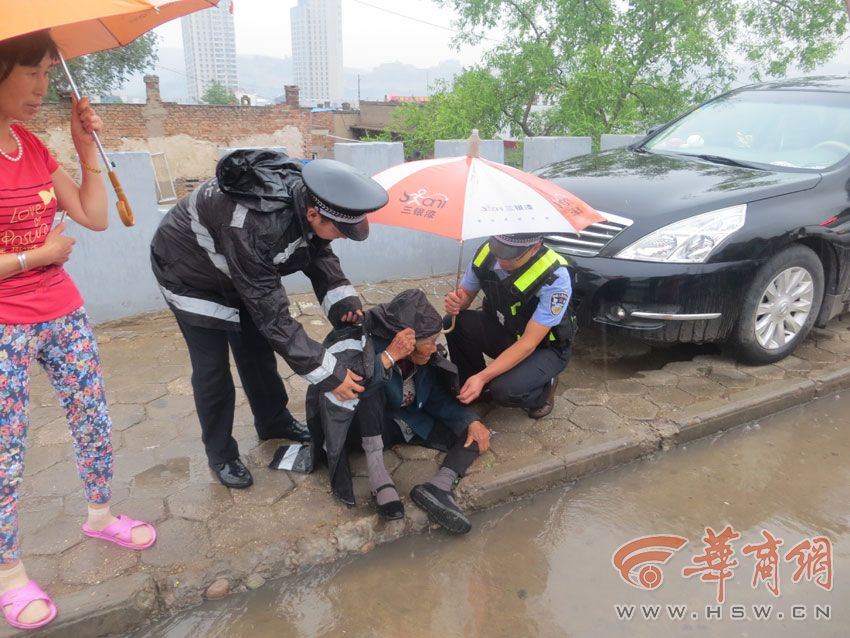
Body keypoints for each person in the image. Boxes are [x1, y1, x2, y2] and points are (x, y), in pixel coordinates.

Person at [0, 31, 155, 631]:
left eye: (47, 72)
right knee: (7, 449)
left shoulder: (33, 148)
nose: (43, 87)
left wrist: (84, 143)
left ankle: (98, 514)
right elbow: (47, 247)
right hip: (6, 324)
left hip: (63, 310)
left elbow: (91, 215)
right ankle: (9, 570)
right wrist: (34, 257)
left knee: (93, 417)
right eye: (29, 72)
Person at [151, 151, 388, 489]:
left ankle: (273, 421)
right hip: (189, 274)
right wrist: (331, 373)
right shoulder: (255, 225)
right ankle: (221, 454)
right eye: (341, 231)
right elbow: (275, 318)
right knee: (212, 369)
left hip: (241, 272)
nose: (343, 237)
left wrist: (343, 302)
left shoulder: (308, 199)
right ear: (312, 213)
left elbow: (316, 249)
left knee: (257, 352)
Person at [307, 289, 490, 534]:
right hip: (359, 428)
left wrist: (470, 421)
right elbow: (341, 390)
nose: (434, 349)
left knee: (474, 435)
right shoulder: (360, 345)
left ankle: (439, 488)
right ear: (406, 341)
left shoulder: (424, 358)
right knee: (369, 387)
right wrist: (388, 357)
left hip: (403, 423)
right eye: (429, 342)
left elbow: (435, 398)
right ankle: (378, 476)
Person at [444, 233, 575, 418]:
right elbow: (466, 294)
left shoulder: (554, 277)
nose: (501, 259)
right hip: (507, 330)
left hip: (544, 348)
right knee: (454, 321)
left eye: (511, 255)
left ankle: (545, 388)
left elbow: (529, 343)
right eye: (498, 250)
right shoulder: (486, 253)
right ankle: (474, 391)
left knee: (504, 391)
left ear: (534, 248)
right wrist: (457, 302)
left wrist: (484, 377)